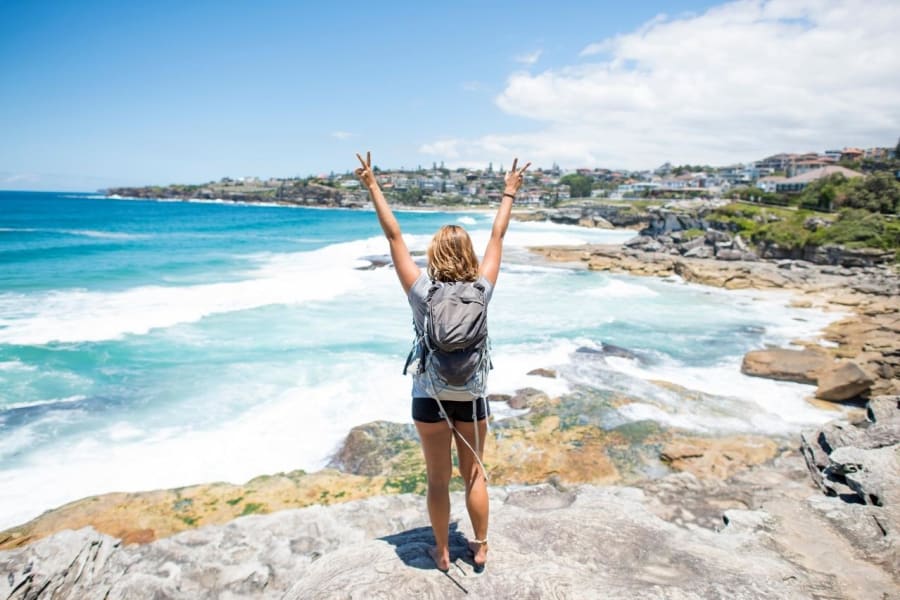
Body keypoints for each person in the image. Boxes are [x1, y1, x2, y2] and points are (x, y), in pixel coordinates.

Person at [354, 151, 530, 572]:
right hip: (470, 397)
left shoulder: (421, 292)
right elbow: (498, 237)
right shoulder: (481, 289)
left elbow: (395, 239)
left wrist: (372, 186)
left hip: (428, 396)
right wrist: (509, 191)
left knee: (437, 479)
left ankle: (442, 551)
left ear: (433, 254)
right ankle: (481, 546)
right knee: (474, 475)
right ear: (467, 255)